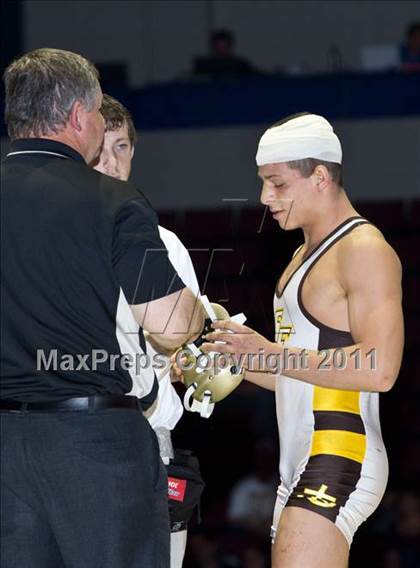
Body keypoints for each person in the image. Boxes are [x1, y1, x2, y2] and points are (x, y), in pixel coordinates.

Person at [1, 48, 205, 568]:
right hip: (93, 447)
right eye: (96, 113)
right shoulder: (111, 201)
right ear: (77, 117)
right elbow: (171, 326)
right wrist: (202, 315)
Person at [198, 113, 404, 567]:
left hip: (338, 453)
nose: (264, 198)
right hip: (303, 457)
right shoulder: (302, 255)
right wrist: (232, 359)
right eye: (262, 184)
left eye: (277, 184)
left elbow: (380, 368)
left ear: (320, 177)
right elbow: (302, 373)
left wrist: (269, 352)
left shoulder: (363, 249)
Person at [93, 93, 202, 568]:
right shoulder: (50, 235)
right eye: (99, 148)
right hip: (64, 433)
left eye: (121, 147)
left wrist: (195, 361)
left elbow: (183, 352)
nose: (110, 163)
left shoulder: (165, 246)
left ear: (134, 152)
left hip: (147, 437)